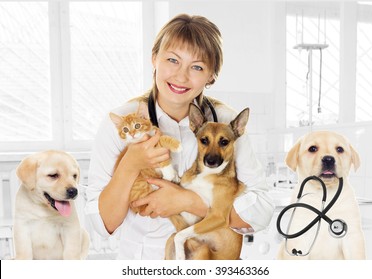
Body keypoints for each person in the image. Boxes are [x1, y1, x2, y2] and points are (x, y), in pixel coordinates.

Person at [85, 13, 274, 260]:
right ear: (154, 58)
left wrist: (188, 201)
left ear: (212, 75)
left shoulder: (226, 124)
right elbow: (102, 225)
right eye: (172, 60)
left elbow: (262, 213)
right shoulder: (121, 123)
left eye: (197, 67)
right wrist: (131, 165)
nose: (181, 76)